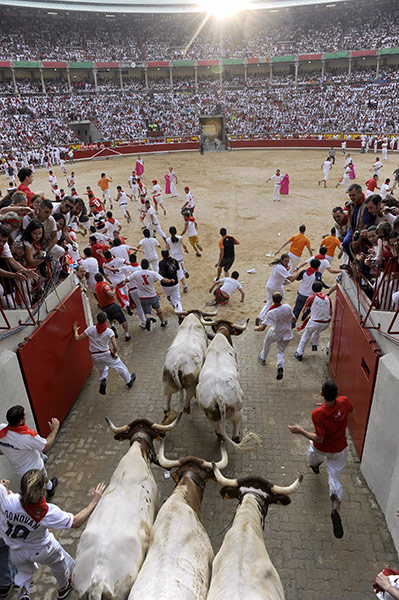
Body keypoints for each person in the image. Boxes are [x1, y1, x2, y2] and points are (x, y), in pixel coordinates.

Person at [0, 471, 105, 600]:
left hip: (16, 550)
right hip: (41, 549)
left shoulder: (9, 501)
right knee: (60, 565)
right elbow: (76, 522)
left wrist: (5, 488)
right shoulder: (48, 512)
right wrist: (94, 501)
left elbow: (11, 497)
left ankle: (25, 593)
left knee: (24, 571)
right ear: (43, 489)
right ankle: (63, 589)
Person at [288, 380, 354, 539]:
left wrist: (301, 431)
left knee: (312, 457)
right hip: (339, 448)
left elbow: (319, 439)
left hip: (322, 448)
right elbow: (349, 411)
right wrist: (332, 409)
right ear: (337, 394)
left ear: (321, 394)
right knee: (334, 477)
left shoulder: (317, 414)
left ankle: (315, 466)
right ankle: (335, 507)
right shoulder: (344, 402)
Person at [0, 405, 59, 498]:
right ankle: (50, 488)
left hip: (18, 469)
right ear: (21, 421)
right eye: (24, 415)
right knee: (42, 478)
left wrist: (8, 449)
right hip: (34, 467)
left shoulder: (1, 429)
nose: (25, 416)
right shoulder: (28, 436)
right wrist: (54, 430)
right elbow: (46, 446)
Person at [73, 313, 135, 394]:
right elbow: (115, 347)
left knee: (102, 369)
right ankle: (129, 380)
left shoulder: (90, 329)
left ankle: (103, 379)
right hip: (105, 354)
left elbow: (77, 338)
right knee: (119, 366)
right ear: (106, 320)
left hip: (94, 356)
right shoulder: (109, 331)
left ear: (97, 320)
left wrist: (75, 330)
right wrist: (113, 354)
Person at [255, 291, 294, 380]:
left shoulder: (271, 312)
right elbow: (293, 318)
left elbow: (262, 328)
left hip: (276, 332)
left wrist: (256, 328)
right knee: (281, 351)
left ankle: (263, 358)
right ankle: (280, 366)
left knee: (267, 343)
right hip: (287, 333)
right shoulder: (287, 307)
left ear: (273, 300)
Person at [127, 258, 172, 330]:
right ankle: (163, 322)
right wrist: (170, 280)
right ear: (148, 266)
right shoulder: (152, 273)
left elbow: (127, 280)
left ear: (141, 265)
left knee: (147, 311)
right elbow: (163, 280)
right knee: (158, 309)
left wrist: (118, 284)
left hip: (142, 297)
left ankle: (148, 318)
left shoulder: (136, 273)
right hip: (152, 295)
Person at [294, 281, 333, 360]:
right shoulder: (328, 298)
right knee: (317, 330)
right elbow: (331, 312)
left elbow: (304, 310)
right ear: (321, 289)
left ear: (312, 289)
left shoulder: (311, 298)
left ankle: (299, 353)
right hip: (325, 323)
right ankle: (314, 344)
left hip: (315, 322)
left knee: (305, 336)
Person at [256, 254, 296, 324]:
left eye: (288, 261)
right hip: (277, 288)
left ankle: (260, 316)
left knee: (269, 303)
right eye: (285, 261)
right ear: (282, 260)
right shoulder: (282, 268)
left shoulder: (277, 265)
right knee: (280, 303)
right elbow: (292, 279)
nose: (287, 262)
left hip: (269, 285)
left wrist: (288, 270)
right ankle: (274, 318)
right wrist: (299, 272)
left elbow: (283, 272)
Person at [94, 273, 131, 341]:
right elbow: (111, 294)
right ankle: (127, 334)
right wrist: (113, 289)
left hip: (104, 307)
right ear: (102, 277)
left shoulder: (96, 286)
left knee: (110, 318)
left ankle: (113, 326)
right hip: (112, 305)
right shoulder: (104, 285)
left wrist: (112, 286)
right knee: (123, 320)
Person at [166, 226, 189, 292]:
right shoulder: (179, 238)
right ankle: (184, 269)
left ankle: (184, 285)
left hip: (174, 257)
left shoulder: (168, 240)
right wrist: (186, 249)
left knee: (179, 272)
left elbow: (167, 249)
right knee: (180, 263)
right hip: (180, 255)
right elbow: (184, 245)